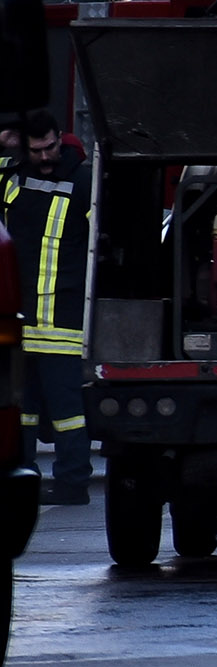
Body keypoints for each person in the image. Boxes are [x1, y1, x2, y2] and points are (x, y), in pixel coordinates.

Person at [6, 110, 93, 504]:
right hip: (21, 317)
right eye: (37, 149)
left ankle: (73, 483)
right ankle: (24, 476)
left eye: (51, 146)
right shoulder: (11, 176)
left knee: (66, 411)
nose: (46, 156)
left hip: (62, 317)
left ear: (61, 138)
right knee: (22, 408)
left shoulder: (83, 181)